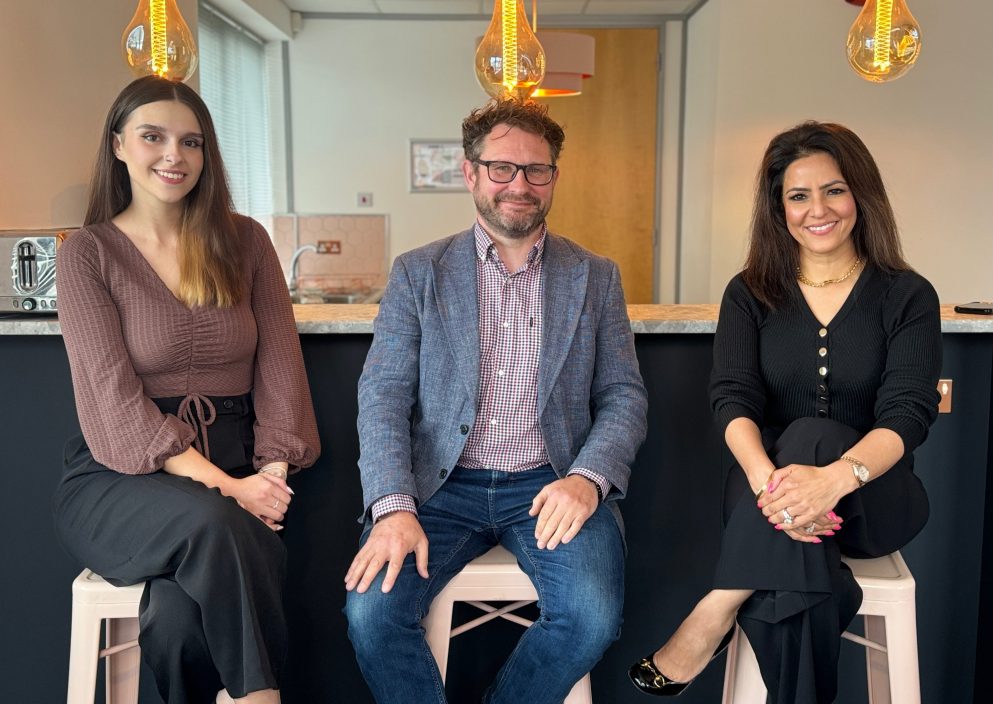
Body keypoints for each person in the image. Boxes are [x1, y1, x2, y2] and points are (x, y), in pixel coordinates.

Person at [344, 98, 648, 703]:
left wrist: (588, 479)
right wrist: (393, 505)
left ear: (554, 177)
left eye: (537, 170)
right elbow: (381, 397)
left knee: (591, 617)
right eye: (502, 168)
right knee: (371, 617)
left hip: (550, 484)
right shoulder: (418, 272)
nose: (520, 184)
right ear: (470, 173)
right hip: (437, 490)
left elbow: (623, 395)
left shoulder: (596, 276)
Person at [628, 121, 941, 702]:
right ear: (778, 208)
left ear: (860, 195)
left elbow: (909, 411)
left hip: (872, 501)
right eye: (798, 196)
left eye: (833, 190)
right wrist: (772, 486)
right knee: (794, 577)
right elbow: (733, 398)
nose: (816, 209)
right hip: (764, 493)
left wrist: (831, 481)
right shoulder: (750, 293)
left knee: (814, 436)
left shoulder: (906, 294)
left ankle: (718, 605)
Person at [53, 76, 321, 704]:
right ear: (119, 144)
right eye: (153, 137)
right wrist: (232, 490)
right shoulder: (87, 254)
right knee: (214, 521)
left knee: (177, 619)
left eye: (191, 142)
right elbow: (114, 402)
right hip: (119, 481)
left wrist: (269, 480)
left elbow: (282, 369)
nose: (175, 156)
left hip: (240, 468)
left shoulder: (246, 241)